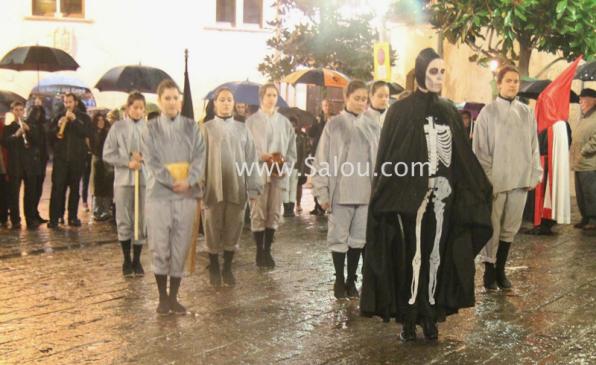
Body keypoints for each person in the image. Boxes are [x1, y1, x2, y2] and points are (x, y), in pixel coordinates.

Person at [360, 48, 493, 341]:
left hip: (443, 192)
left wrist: (478, 187)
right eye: (434, 71)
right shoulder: (400, 110)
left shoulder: (448, 110)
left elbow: (460, 154)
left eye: (442, 72)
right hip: (411, 198)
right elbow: (389, 155)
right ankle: (410, 316)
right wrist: (386, 192)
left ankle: (430, 314)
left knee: (437, 253)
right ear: (421, 72)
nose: (439, 77)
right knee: (413, 254)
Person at [473, 65, 542, 290]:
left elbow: (533, 146)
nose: (513, 84)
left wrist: (533, 174)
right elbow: (481, 150)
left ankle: (501, 269)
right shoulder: (488, 112)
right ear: (499, 83)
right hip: (496, 181)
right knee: (492, 226)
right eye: (508, 80)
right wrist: (488, 179)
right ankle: (489, 270)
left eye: (515, 81)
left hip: (519, 179)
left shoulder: (526, 112)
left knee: (510, 226)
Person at [312, 80, 380, 299]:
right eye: (357, 98)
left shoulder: (373, 125)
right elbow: (322, 158)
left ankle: (352, 279)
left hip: (365, 190)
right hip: (340, 190)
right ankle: (339, 279)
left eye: (364, 99)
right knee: (339, 237)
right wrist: (321, 191)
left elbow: (379, 161)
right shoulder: (334, 124)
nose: (361, 103)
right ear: (346, 98)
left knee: (359, 238)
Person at [142, 80, 205, 315]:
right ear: (159, 101)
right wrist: (170, 181)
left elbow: (200, 156)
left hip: (187, 194)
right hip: (159, 195)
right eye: (166, 98)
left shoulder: (191, 127)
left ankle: (174, 296)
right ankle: (161, 297)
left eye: (174, 97)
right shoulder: (150, 129)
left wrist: (189, 180)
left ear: (180, 100)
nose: (171, 102)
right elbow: (151, 160)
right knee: (160, 245)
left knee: (180, 244)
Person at [202, 87, 261, 287]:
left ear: (234, 103)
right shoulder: (206, 128)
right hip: (213, 186)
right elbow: (198, 159)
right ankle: (214, 266)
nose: (226, 103)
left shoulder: (243, 129)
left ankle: (227, 267)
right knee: (212, 225)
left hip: (237, 185)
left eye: (229, 99)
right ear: (215, 103)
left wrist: (253, 187)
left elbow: (252, 159)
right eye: (222, 99)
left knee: (233, 226)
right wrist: (197, 184)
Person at [246, 83, 297, 268]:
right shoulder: (251, 122)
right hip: (258, 172)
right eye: (268, 94)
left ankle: (268, 249)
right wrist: (261, 156)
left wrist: (286, 166)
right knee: (258, 211)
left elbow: (292, 149)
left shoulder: (284, 122)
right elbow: (245, 148)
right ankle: (259, 251)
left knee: (274, 212)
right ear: (261, 97)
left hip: (278, 173)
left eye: (274, 95)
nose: (271, 98)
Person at [104, 92, 149, 277]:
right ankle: (126, 258)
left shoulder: (150, 128)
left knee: (140, 219)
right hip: (123, 180)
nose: (138, 111)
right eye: (134, 107)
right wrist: (127, 161)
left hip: (143, 180)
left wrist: (145, 158)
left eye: (141, 108)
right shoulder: (118, 127)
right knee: (124, 218)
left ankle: (137, 259)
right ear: (128, 108)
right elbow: (107, 154)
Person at [48, 93, 93, 228]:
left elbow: (87, 132)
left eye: (70, 102)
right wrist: (57, 126)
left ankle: (72, 217)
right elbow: (50, 136)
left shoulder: (83, 117)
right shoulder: (58, 116)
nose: (67, 105)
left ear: (76, 102)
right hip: (61, 159)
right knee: (57, 189)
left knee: (74, 189)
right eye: (66, 102)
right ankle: (55, 218)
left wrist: (75, 120)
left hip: (77, 159)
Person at [1, 102, 42, 230]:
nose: (19, 112)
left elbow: (37, 142)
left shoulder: (30, 126)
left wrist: (28, 131)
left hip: (29, 165)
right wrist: (16, 134)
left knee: (30, 194)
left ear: (24, 111)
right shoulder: (9, 127)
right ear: (13, 111)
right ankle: (15, 220)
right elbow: (5, 143)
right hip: (15, 165)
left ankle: (30, 219)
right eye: (16, 110)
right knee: (14, 194)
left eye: (21, 110)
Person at [570, 88, 596, 234]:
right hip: (579, 162)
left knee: (591, 192)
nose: (580, 102)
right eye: (580, 99)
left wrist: (585, 150)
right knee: (580, 193)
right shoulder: (585, 117)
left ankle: (593, 219)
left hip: (590, 162)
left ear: (593, 100)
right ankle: (585, 217)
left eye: (583, 99)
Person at [308, 99, 331, 216]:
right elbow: (311, 133)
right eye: (324, 105)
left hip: (328, 153)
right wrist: (315, 123)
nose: (326, 107)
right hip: (316, 151)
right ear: (322, 107)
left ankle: (324, 204)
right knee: (316, 178)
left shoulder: (334, 120)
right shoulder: (318, 119)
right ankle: (316, 205)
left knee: (326, 178)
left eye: (328, 105)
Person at [90, 113, 114, 221]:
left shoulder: (108, 132)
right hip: (97, 160)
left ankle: (105, 210)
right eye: (98, 120)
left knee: (107, 185)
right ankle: (97, 210)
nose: (100, 122)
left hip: (107, 160)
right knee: (97, 185)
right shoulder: (92, 133)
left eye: (102, 120)